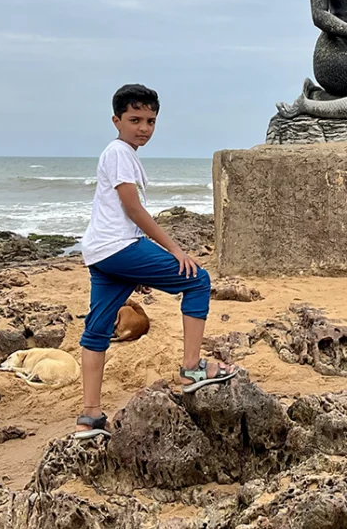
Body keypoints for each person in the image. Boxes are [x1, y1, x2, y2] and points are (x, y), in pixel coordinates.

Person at [73, 84, 236, 440]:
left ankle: (90, 417)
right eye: (134, 120)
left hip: (103, 253)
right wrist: (174, 249)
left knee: (97, 330)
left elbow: (120, 214)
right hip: (118, 248)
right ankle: (192, 369)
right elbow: (132, 208)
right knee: (197, 280)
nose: (143, 127)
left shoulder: (122, 153)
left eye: (150, 120)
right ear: (116, 120)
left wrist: (136, 268)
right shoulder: (118, 152)